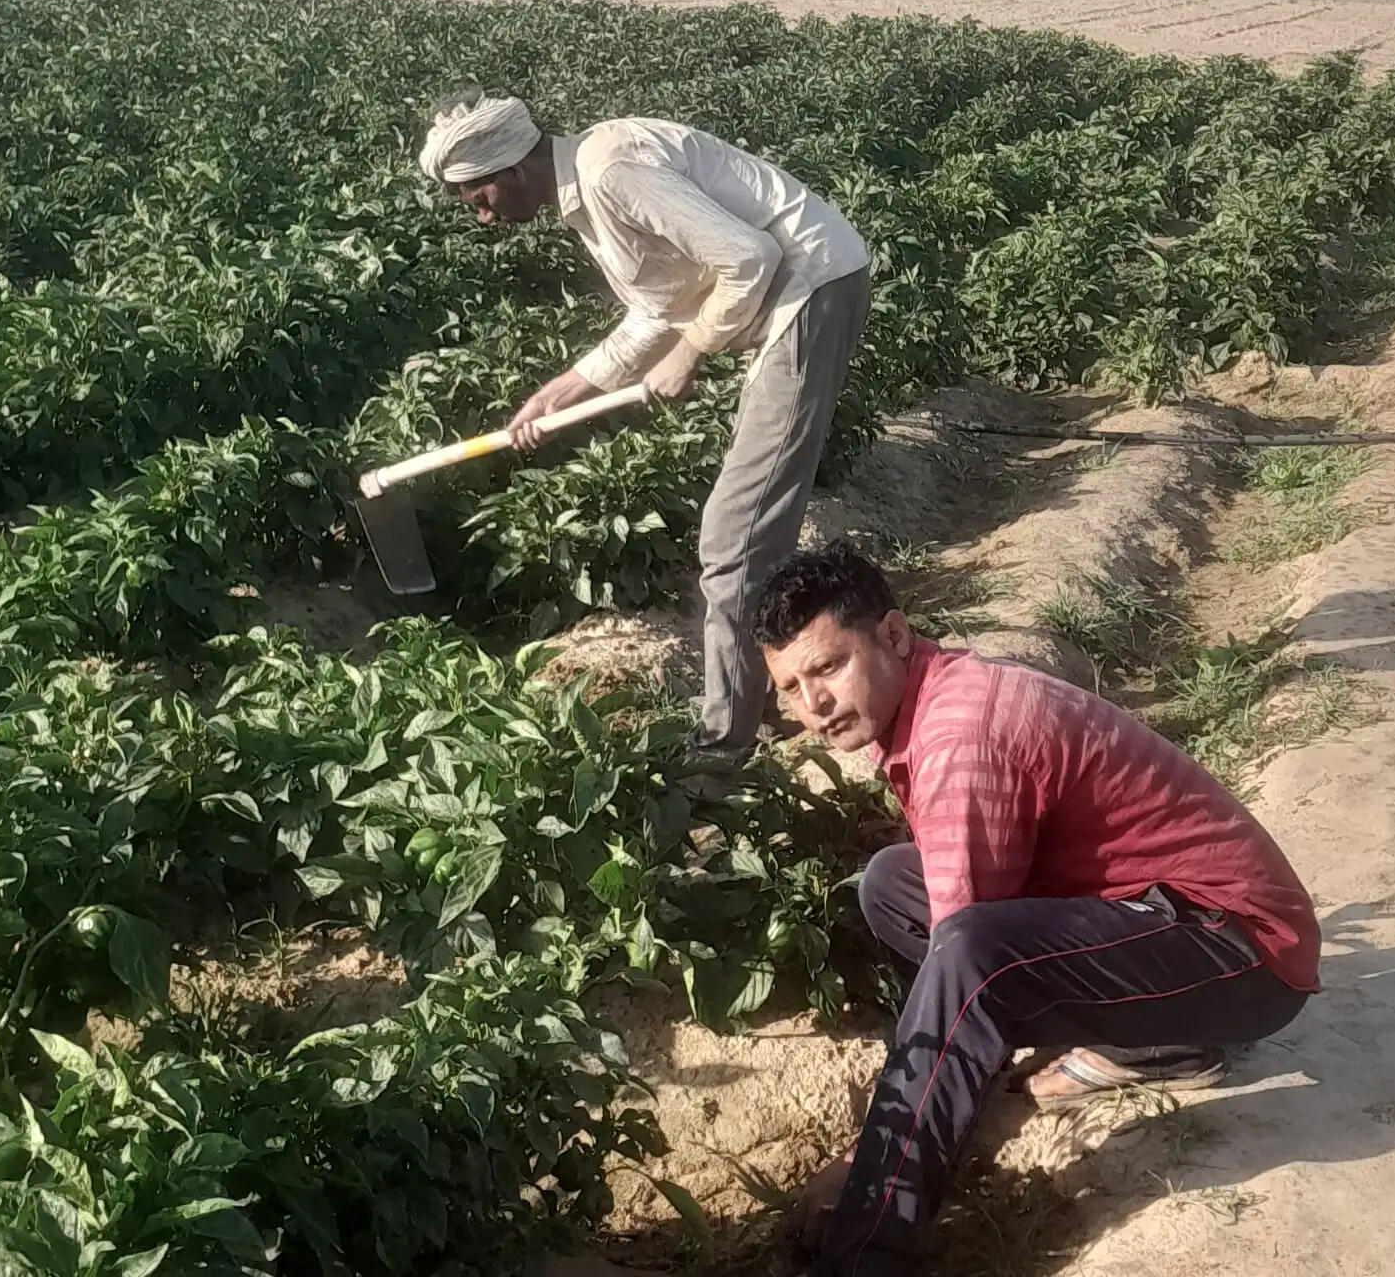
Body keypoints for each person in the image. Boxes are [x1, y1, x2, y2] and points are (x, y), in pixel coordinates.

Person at [751, 542, 1321, 1277]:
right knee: (895, 882)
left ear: (893, 636)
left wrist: (866, 1164)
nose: (813, 705)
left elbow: (967, 964)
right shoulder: (934, 700)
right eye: (791, 688)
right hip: (1161, 916)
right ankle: (1163, 1046)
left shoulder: (961, 736)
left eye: (828, 667)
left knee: (970, 960)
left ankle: (864, 1251)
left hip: (1243, 954)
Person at [418, 86, 871, 773]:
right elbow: (662, 306)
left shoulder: (609, 171)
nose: (482, 217)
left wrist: (691, 354)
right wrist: (562, 389)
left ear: (510, 168)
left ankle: (726, 750)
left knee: (734, 541)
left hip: (808, 291)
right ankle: (786, 684)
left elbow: (749, 258)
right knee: (746, 536)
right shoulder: (590, 197)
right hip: (800, 295)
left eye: (478, 198)